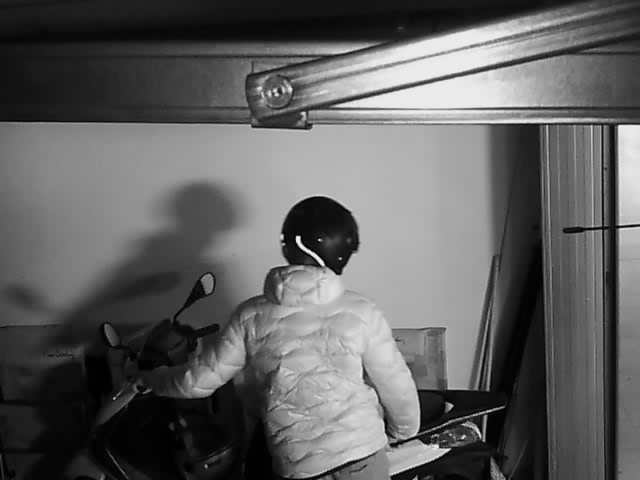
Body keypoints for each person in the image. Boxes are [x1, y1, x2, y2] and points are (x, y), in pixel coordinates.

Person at [137, 195, 421, 480]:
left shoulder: (249, 315)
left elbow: (197, 382)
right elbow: (395, 382)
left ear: (287, 244)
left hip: (298, 467)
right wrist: (403, 433)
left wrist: (150, 378)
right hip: (363, 456)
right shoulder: (362, 311)